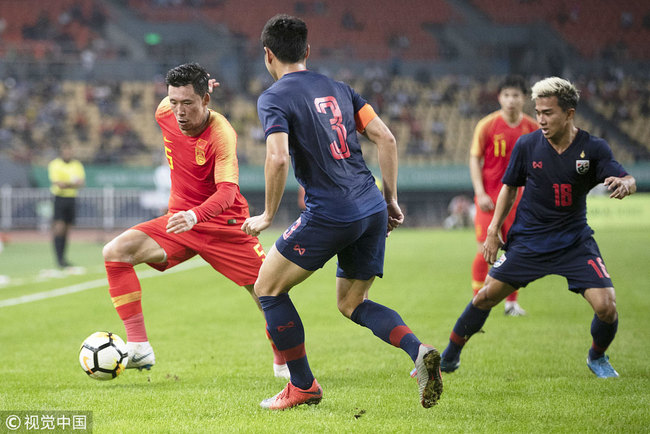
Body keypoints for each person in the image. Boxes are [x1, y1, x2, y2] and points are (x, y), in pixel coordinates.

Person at [241, 14, 442, 410]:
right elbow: (386, 137)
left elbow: (278, 158)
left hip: (331, 210)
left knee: (267, 288)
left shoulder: (274, 97)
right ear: (307, 51)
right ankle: (418, 351)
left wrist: (266, 215)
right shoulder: (340, 89)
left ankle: (302, 386)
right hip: (370, 205)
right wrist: (391, 198)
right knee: (352, 303)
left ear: (268, 55)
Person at [440, 77, 636, 378]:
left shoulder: (593, 148)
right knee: (485, 296)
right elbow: (508, 188)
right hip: (528, 242)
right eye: (538, 111)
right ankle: (450, 355)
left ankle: (597, 356)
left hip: (574, 242)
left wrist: (625, 183)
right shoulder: (528, 144)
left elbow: (626, 177)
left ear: (569, 113)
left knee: (607, 306)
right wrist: (493, 231)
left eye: (548, 113)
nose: (541, 119)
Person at [102, 62, 289, 378]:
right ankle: (138, 347)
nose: (179, 111)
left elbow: (228, 192)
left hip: (225, 227)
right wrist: (186, 216)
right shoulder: (165, 112)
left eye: (188, 103)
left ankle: (285, 363)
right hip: (179, 222)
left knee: (268, 294)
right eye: (174, 102)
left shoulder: (221, 134)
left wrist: (196, 214)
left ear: (206, 100)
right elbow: (176, 101)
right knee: (115, 253)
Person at [469, 75, 538, 316]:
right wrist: (479, 192)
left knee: (516, 252)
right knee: (484, 249)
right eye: (506, 95)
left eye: (516, 95)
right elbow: (475, 159)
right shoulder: (487, 125)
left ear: (524, 98)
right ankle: (477, 300)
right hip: (489, 199)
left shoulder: (532, 128)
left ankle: (511, 303)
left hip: (519, 202)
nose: (510, 100)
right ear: (499, 97)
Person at [48, 144, 85, 268]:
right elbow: (59, 184)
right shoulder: (55, 164)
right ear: (62, 152)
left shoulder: (77, 165)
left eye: (70, 151)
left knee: (67, 229)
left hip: (72, 198)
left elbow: (81, 182)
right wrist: (72, 184)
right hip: (60, 198)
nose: (68, 153)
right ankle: (58, 259)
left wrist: (67, 184)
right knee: (59, 228)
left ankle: (63, 259)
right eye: (66, 151)